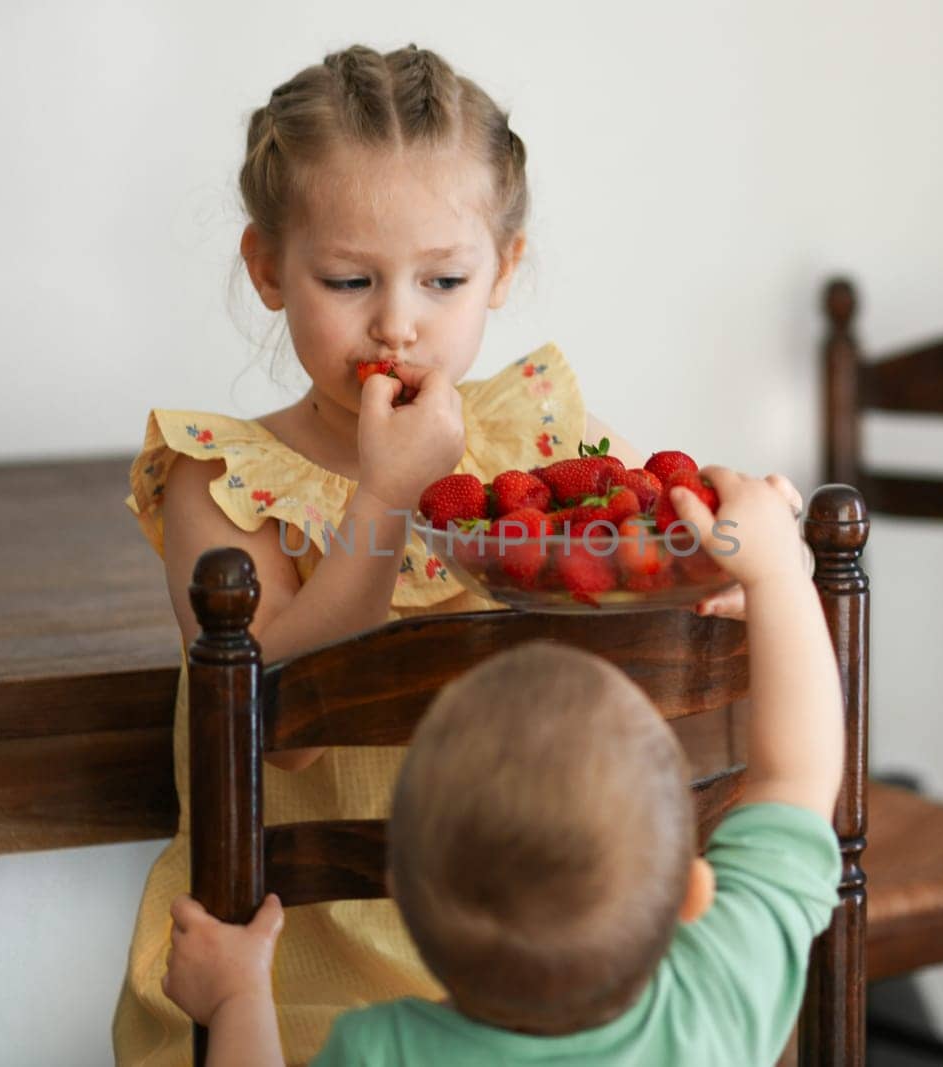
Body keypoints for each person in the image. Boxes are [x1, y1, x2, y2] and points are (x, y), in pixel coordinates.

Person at [113, 42, 663, 1066]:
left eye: (443, 278)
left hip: (515, 966)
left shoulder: (538, 442)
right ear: (269, 268)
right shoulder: (220, 479)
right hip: (290, 986)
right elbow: (280, 725)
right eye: (350, 277)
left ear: (504, 269)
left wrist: (712, 579)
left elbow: (654, 550)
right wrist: (388, 492)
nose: (397, 322)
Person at [163, 468, 845, 1066]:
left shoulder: (383, 1050)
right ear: (692, 890)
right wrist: (778, 572)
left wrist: (237, 997)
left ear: (402, 889)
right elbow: (797, 774)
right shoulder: (717, 996)